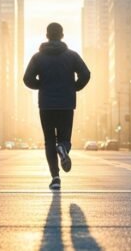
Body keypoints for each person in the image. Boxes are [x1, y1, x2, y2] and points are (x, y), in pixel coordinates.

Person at [23, 22, 90, 190]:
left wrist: (41, 85)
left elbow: (27, 79)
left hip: (46, 105)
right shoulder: (72, 56)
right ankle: (63, 148)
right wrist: (74, 87)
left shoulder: (38, 57)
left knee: (49, 141)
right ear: (62, 35)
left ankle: (55, 178)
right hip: (66, 104)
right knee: (64, 138)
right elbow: (86, 74)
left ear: (47, 35)